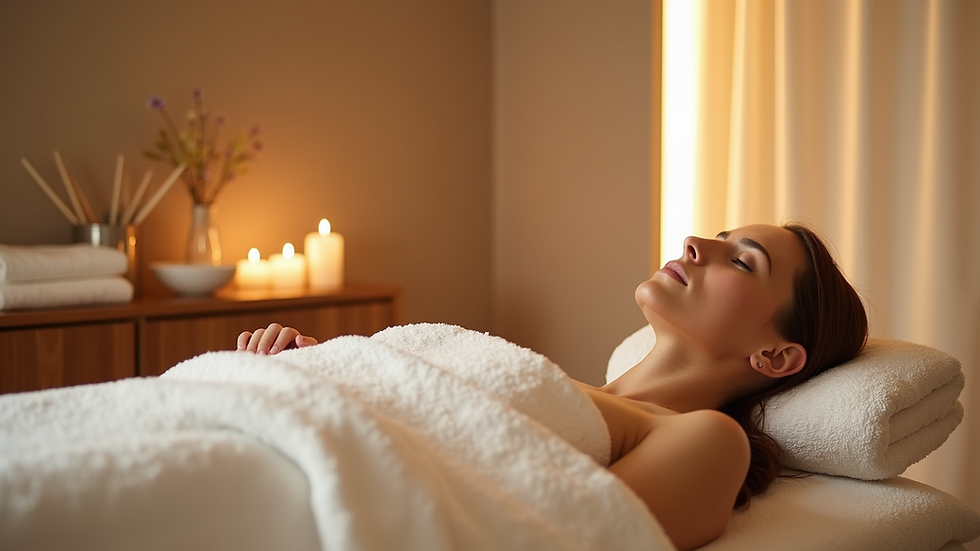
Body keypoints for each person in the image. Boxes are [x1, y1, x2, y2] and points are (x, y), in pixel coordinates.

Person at [237, 223, 868, 551]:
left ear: (777, 355)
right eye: (720, 235)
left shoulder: (708, 440)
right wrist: (326, 366)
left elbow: (556, 536)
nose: (696, 242)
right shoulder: (552, 388)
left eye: (740, 260)